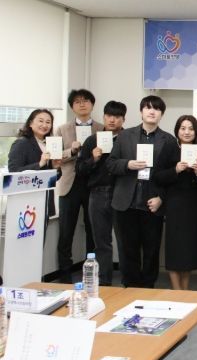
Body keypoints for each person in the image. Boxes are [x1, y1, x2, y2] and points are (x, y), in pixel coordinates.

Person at [106, 95, 177, 288]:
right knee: (127, 249)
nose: (152, 111)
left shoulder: (169, 141)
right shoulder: (124, 136)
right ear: (141, 112)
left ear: (161, 114)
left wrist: (162, 198)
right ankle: (130, 288)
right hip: (125, 203)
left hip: (152, 204)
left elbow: (173, 176)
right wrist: (128, 164)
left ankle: (148, 289)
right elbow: (110, 164)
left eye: (157, 109)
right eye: (148, 108)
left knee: (151, 251)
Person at [55, 89, 104, 283]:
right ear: (72, 107)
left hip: (93, 183)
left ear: (92, 104)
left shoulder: (101, 128)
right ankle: (65, 275)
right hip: (70, 183)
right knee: (66, 231)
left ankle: (92, 274)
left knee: (94, 230)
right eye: (77, 102)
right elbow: (55, 157)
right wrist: (71, 150)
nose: (82, 104)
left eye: (85, 101)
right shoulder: (62, 129)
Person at [153, 115, 197, 290]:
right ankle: (177, 292)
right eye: (183, 128)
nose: (187, 132)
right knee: (175, 247)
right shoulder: (169, 148)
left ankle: (185, 290)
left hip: (194, 203)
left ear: (196, 131)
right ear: (177, 131)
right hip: (175, 203)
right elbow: (158, 176)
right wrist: (175, 169)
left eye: (191, 128)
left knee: (189, 247)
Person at [76, 100, 126, 286]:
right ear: (104, 117)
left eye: (117, 117)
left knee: (124, 240)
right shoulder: (92, 140)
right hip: (97, 194)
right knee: (101, 242)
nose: (112, 120)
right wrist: (93, 159)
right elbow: (79, 169)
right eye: (109, 116)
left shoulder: (128, 139)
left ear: (123, 119)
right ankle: (104, 283)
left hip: (121, 193)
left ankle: (128, 282)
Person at [8, 109, 60, 231]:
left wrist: (56, 167)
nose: (44, 125)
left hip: (44, 201)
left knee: (41, 239)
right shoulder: (21, 143)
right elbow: (14, 172)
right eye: (40, 121)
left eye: (48, 122)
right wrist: (40, 164)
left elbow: (53, 179)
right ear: (30, 123)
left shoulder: (49, 144)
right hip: (26, 204)